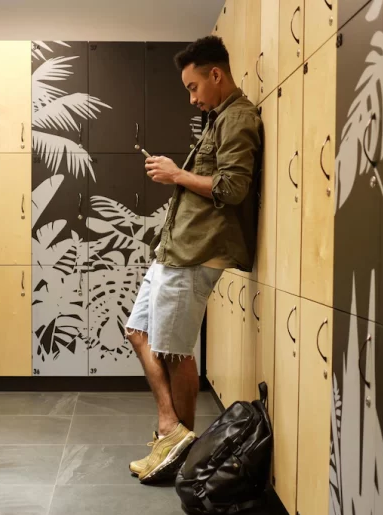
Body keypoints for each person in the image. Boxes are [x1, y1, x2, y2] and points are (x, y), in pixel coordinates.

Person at [124, 35, 263, 484]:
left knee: (174, 350)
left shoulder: (238, 119)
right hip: (176, 249)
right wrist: (178, 173)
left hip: (197, 253)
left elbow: (233, 188)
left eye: (193, 87)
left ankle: (176, 458)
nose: (192, 97)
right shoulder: (216, 118)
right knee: (139, 330)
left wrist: (177, 174)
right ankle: (172, 428)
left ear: (216, 75)